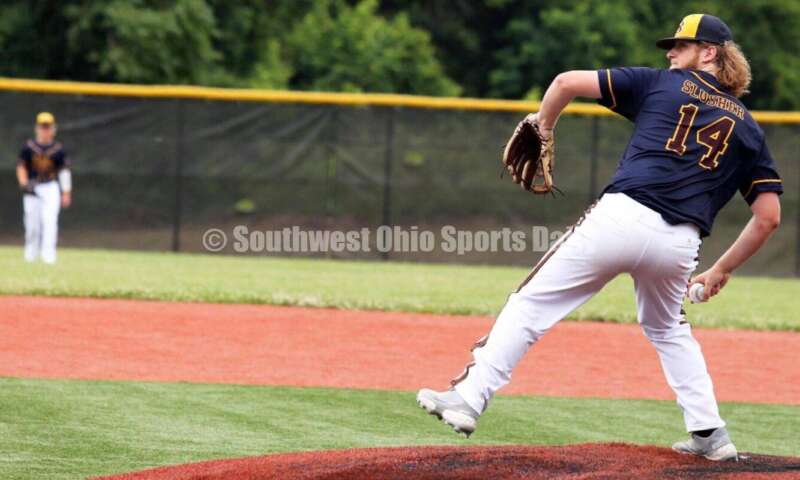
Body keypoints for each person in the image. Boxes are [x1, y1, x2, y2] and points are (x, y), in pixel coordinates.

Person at [417, 14, 782, 462]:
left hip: (621, 218)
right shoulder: (749, 129)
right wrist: (722, 268)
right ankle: (710, 433)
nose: (670, 53)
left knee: (532, 304)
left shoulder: (659, 85)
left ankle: (468, 398)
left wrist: (544, 125)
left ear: (710, 52)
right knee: (668, 328)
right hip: (680, 245)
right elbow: (768, 217)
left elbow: (566, 82)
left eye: (680, 46)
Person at [16, 112, 73, 264]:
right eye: (43, 126)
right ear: (37, 128)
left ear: (53, 129)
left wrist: (66, 192)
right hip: (33, 186)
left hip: (50, 187)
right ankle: (30, 256)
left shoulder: (59, 149)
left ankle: (48, 257)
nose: (45, 130)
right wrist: (23, 183)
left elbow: (64, 171)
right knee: (31, 223)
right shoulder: (28, 147)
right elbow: (21, 167)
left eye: (48, 127)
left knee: (50, 222)